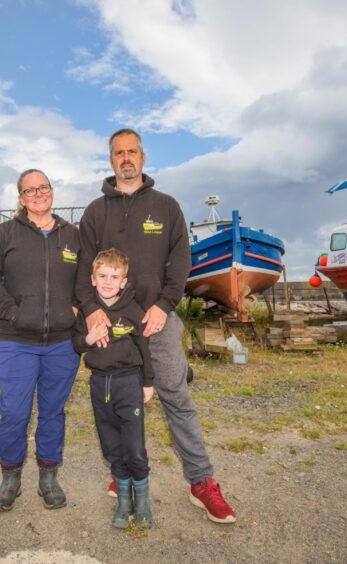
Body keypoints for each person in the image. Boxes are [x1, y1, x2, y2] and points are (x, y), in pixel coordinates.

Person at [75, 128, 237, 524]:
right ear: (110, 160)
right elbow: (82, 269)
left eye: (132, 152)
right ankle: (125, 474)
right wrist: (92, 310)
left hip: (156, 321)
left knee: (175, 396)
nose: (125, 158)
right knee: (118, 402)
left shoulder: (167, 207)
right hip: (113, 327)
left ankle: (201, 482)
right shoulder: (96, 212)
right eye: (118, 153)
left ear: (143, 158)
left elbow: (179, 262)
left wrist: (165, 305)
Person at [0, 169, 81, 512]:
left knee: (53, 412)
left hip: (62, 343)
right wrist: (12, 312)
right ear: (21, 198)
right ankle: (10, 478)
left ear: (52, 191)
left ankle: (49, 477)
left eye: (44, 187)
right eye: (30, 190)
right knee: (14, 413)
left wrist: (77, 309)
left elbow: (86, 281)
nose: (38, 194)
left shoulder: (74, 236)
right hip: (16, 341)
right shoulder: (5, 233)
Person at [73, 248, 155, 529]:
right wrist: (88, 338)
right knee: (111, 447)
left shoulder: (133, 310)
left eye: (114, 277)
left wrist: (147, 382)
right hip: (99, 384)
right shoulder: (88, 312)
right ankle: (124, 501)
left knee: (134, 448)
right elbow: (75, 343)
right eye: (103, 276)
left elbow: (145, 348)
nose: (108, 282)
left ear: (123, 281)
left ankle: (142, 501)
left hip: (128, 383)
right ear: (93, 279)